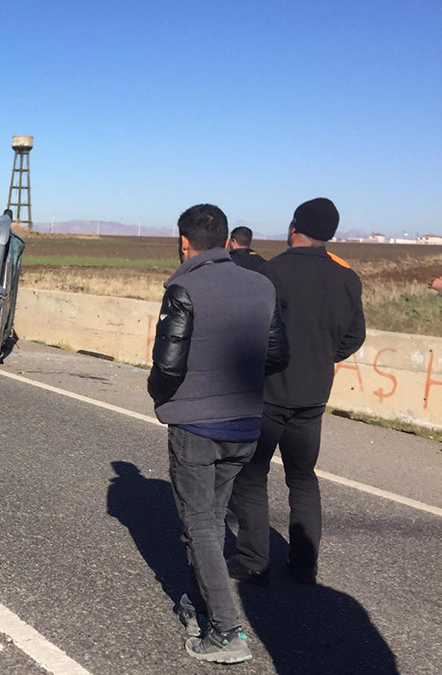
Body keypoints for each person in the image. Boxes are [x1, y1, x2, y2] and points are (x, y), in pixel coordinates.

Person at [148, 203, 288, 664]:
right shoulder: (261, 285)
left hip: (197, 425)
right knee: (211, 521)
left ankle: (228, 633)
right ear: (228, 240)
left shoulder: (184, 285)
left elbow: (167, 363)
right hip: (246, 423)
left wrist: (162, 398)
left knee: (201, 526)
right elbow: (277, 354)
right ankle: (197, 608)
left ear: (184, 243)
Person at [230, 197, 365, 587]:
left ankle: (254, 560)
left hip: (270, 393)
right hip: (314, 395)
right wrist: (324, 356)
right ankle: (305, 565)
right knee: (303, 478)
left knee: (253, 477)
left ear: (293, 229)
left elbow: (249, 331)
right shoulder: (347, 277)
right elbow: (355, 336)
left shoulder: (273, 272)